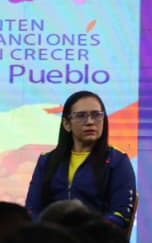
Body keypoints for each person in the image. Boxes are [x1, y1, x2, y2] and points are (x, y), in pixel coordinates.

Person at [24, 90, 136, 229]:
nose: (90, 122)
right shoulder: (46, 161)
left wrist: (86, 231)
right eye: (81, 115)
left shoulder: (117, 161)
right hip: (51, 237)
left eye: (96, 115)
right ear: (67, 124)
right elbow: (32, 209)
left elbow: (121, 214)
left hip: (95, 237)